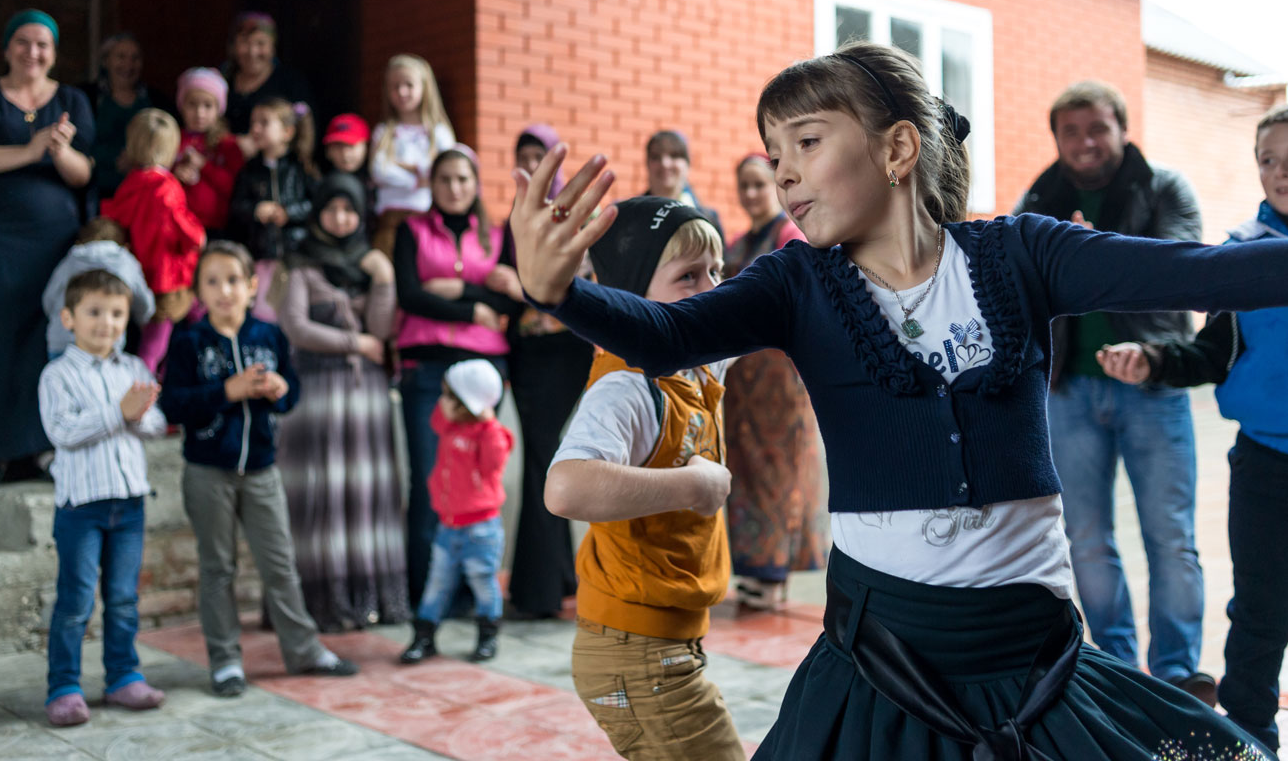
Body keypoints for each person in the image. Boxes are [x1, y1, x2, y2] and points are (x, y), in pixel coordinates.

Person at [508, 40, 1287, 759]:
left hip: (1032, 660)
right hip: (883, 663)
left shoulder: (1023, 253)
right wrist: (562, 292)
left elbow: (1204, 272)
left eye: (806, 143)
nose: (783, 173)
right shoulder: (796, 284)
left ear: (898, 148)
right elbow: (667, 334)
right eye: (776, 154)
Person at [1013, 80, 1214, 702]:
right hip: (1069, 393)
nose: (1085, 142)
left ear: (1123, 128)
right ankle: (1121, 670)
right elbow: (1022, 286)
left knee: (1171, 535)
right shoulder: (1040, 198)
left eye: (1097, 127)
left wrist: (1090, 253)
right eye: (1070, 131)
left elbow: (1176, 267)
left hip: (1154, 385)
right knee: (1087, 539)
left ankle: (1179, 677)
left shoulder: (1165, 187)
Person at [1097, 104, 1288, 753]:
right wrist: (1152, 360)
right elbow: (1213, 354)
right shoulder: (1242, 255)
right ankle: (1252, 738)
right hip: (1267, 464)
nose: (1280, 172)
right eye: (1268, 160)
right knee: (1261, 614)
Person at [541, 196, 744, 760]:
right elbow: (565, 488)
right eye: (687, 276)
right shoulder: (627, 386)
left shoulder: (700, 358)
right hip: (638, 655)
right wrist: (692, 487)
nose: (711, 287)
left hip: (665, 645)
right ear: (630, 300)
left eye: (716, 271)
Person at [160, 241, 358, 697]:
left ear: (252, 287)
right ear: (198, 291)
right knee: (218, 568)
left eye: (233, 280)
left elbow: (291, 397)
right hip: (207, 472)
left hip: (263, 470)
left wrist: (280, 388)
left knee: (281, 564)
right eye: (212, 281)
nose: (224, 290)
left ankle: (304, 649)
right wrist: (225, 392)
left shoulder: (268, 336)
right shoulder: (189, 341)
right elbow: (174, 405)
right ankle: (226, 661)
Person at [277, 172, 408, 632]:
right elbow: (296, 326)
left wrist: (385, 278)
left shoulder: (369, 261)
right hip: (317, 393)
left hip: (365, 397)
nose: (340, 218)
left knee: (365, 495)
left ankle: (369, 599)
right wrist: (356, 345)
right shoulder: (301, 264)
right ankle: (325, 602)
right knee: (325, 495)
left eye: (349, 210)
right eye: (331, 209)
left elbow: (382, 327)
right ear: (317, 214)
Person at [38, 269, 168, 726]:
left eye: (116, 314)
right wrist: (120, 413)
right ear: (69, 317)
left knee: (123, 597)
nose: (107, 323)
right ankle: (65, 686)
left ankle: (123, 676)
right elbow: (64, 431)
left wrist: (135, 415)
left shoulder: (132, 368)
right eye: (95, 312)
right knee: (75, 601)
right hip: (81, 508)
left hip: (129, 504)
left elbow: (155, 422)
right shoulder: (57, 375)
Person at [392, 145, 518, 611]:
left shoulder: (498, 235)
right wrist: (474, 307)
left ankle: (468, 592)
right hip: (426, 367)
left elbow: (508, 300)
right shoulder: (411, 231)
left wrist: (460, 290)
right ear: (432, 184)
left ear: (476, 184)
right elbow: (409, 295)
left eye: (463, 179)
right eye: (444, 179)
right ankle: (425, 593)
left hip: (484, 371)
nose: (454, 188)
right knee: (431, 481)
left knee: (476, 483)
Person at [0, 9, 95, 487]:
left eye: (43, 45)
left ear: (54, 52)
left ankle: (34, 449)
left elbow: (85, 173)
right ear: (8, 47)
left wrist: (59, 153)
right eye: (24, 42)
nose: (33, 52)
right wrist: (30, 151)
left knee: (43, 341)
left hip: (54, 241)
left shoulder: (72, 99)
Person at [722, 153, 825, 610]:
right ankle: (754, 567)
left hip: (782, 379)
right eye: (743, 186)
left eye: (758, 185)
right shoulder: (738, 242)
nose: (751, 194)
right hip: (744, 383)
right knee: (747, 471)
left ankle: (775, 572)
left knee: (781, 472)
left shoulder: (789, 236)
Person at [504, 122, 594, 620]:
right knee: (543, 456)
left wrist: (522, 287)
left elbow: (582, 277)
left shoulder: (573, 217)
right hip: (526, 353)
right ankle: (556, 577)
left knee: (544, 457)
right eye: (522, 156)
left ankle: (538, 591)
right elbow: (498, 280)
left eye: (538, 154)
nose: (531, 164)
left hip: (564, 349)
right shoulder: (511, 220)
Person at [400, 358, 514, 665]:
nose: (442, 401)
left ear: (469, 403)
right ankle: (424, 637)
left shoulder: (490, 434)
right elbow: (436, 419)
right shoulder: (449, 425)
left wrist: (488, 421)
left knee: (483, 583)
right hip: (448, 526)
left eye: (450, 396)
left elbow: (493, 464)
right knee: (436, 584)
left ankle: (488, 637)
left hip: (482, 529)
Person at [100, 108, 207, 374]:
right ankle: (145, 387)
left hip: (140, 273)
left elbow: (115, 215)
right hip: (168, 277)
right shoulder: (166, 186)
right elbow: (184, 228)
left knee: (162, 332)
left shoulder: (131, 182)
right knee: (156, 343)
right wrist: (198, 237)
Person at [226, 96, 317, 322]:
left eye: (264, 123)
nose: (255, 129)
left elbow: (317, 205)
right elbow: (236, 208)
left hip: (297, 255)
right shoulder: (249, 171)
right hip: (261, 256)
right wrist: (256, 210)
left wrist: (289, 212)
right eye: (253, 123)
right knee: (263, 313)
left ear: (287, 132)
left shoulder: (301, 168)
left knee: (295, 315)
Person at [368, 54, 456, 255]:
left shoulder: (439, 132)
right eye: (395, 86)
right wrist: (417, 177)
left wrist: (399, 165)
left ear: (425, 88)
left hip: (427, 218)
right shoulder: (384, 131)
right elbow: (379, 171)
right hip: (390, 220)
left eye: (409, 84)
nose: (402, 91)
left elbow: (442, 171)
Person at [42, 217, 154, 359]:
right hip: (106, 342)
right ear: (124, 244)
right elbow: (145, 306)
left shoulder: (71, 260)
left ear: (80, 242)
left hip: (62, 340)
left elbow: (49, 299)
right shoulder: (126, 262)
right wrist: (137, 319)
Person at [82, 32, 169, 213]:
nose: (128, 65)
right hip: (97, 193)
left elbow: (166, 143)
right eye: (120, 57)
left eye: (135, 58)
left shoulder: (156, 100)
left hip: (145, 194)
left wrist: (138, 159)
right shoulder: (87, 97)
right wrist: (115, 157)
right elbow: (81, 142)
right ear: (106, 61)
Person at [222, 13, 314, 155]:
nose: (252, 52)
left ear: (273, 47)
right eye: (244, 42)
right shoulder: (221, 81)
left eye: (261, 43)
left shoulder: (290, 83)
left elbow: (304, 131)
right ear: (234, 46)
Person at [173, 67, 244, 238]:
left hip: (214, 227)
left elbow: (234, 186)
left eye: (208, 105)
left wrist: (204, 165)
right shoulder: (173, 138)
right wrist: (176, 175)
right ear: (181, 105)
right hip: (178, 223)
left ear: (219, 109)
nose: (200, 113)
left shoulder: (227, 144)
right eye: (192, 104)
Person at [643, 129, 723, 239]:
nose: (665, 164)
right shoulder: (632, 216)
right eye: (656, 156)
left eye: (674, 155)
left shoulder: (708, 219)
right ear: (647, 163)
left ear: (688, 163)